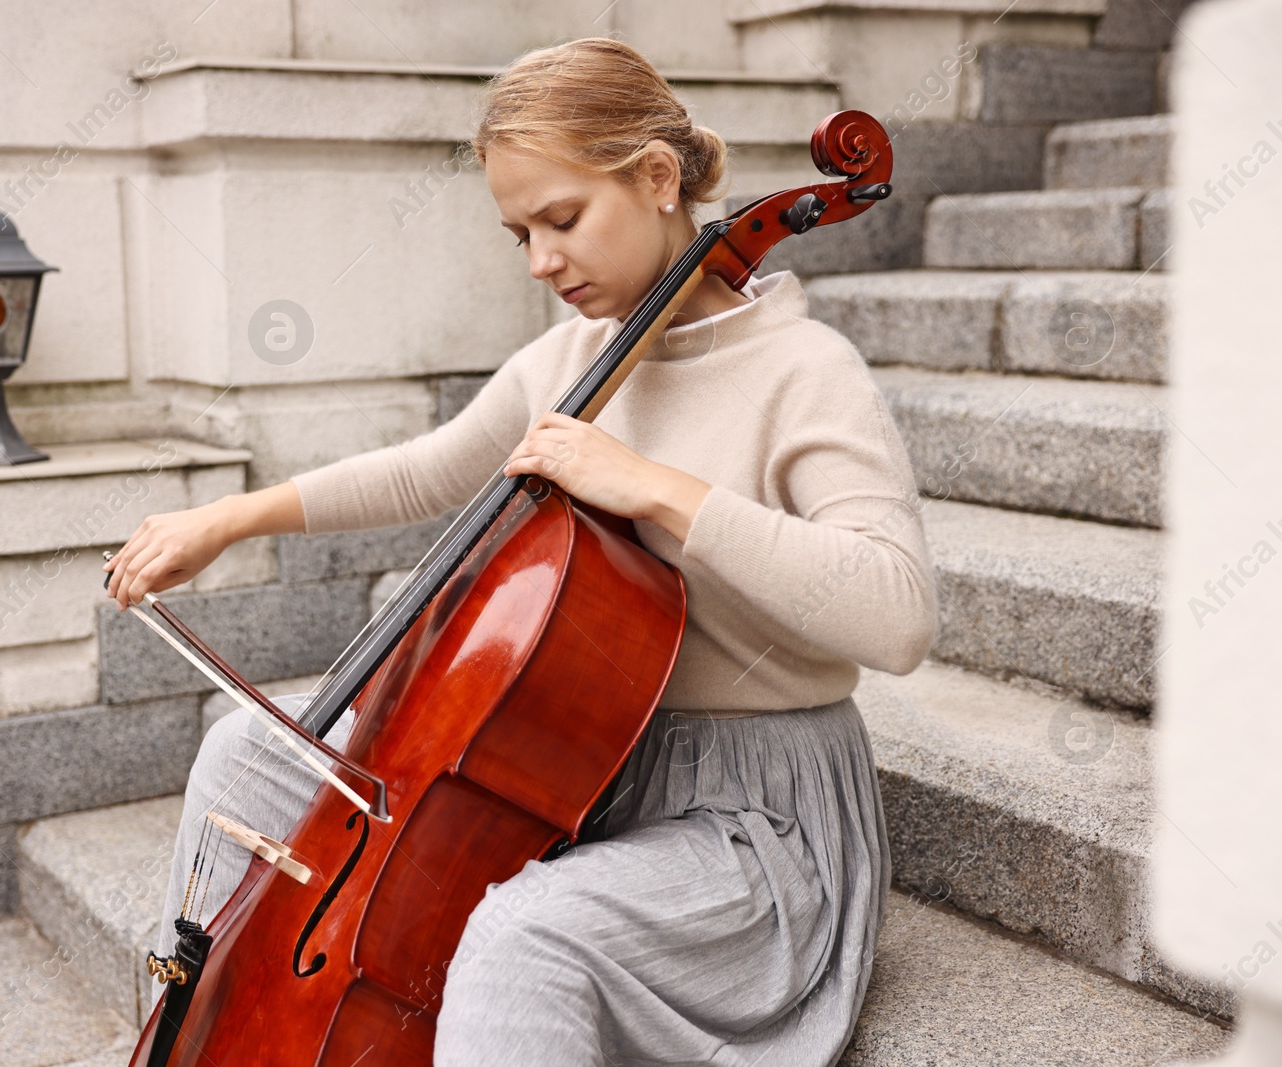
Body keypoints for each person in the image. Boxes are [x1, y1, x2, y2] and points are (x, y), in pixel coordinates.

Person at [103, 36, 937, 1067]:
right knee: (247, 757)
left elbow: (897, 615)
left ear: (656, 177)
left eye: (562, 219)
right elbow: (425, 470)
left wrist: (657, 490)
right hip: (580, 774)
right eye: (518, 233)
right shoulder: (570, 359)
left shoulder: (804, 369)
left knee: (524, 931)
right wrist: (224, 521)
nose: (542, 261)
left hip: (753, 819)